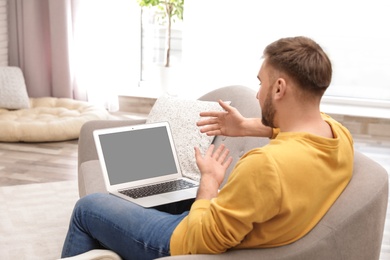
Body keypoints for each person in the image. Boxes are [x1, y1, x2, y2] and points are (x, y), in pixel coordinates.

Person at [61, 36, 353, 259]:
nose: (257, 92)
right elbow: (294, 129)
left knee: (88, 209)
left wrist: (210, 183)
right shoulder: (338, 136)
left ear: (279, 88)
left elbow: (203, 239)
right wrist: (246, 127)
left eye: (260, 83)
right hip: (232, 218)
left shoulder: (267, 165)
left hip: (188, 239)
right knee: (152, 193)